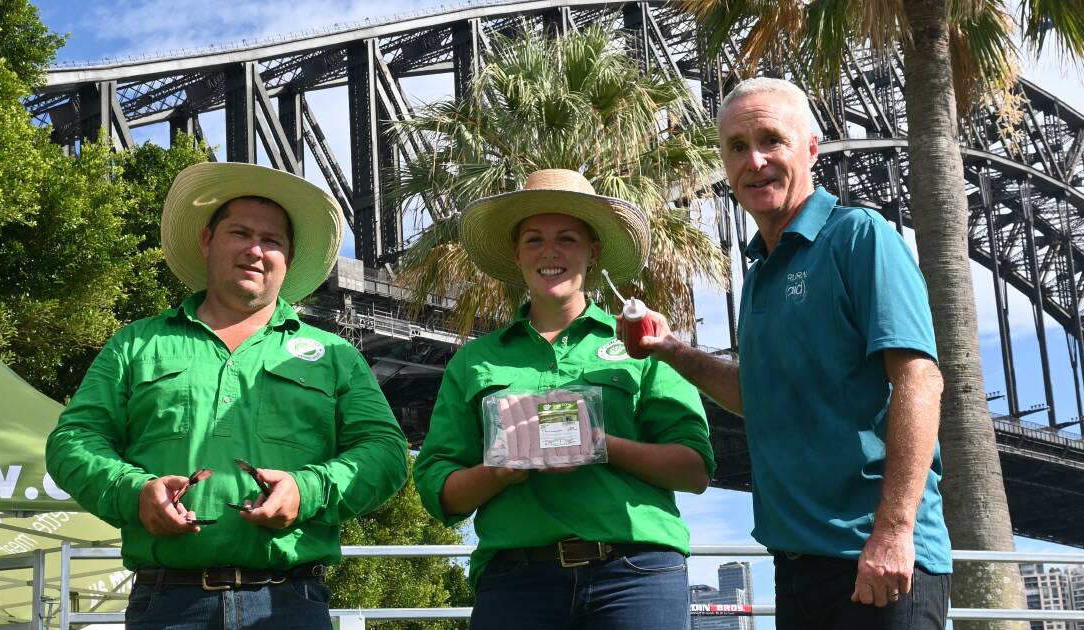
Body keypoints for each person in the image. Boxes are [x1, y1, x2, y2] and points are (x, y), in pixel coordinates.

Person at [640, 78, 952, 629]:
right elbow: (760, 397)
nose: (754, 160)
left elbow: (920, 381)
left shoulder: (859, 236)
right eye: (737, 147)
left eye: (771, 140)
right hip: (799, 564)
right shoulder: (761, 274)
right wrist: (670, 351)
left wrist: (895, 532)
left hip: (875, 559)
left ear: (811, 147)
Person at [46, 162, 408, 630]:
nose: (256, 250)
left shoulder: (336, 355)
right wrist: (134, 493)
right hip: (166, 604)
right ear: (206, 241)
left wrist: (307, 490)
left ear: (288, 258)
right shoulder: (137, 343)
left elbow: (385, 452)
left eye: (272, 241)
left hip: (290, 603)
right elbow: (73, 440)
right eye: (240, 233)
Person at [413, 169, 717, 629]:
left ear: (593, 253)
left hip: (634, 575)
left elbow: (695, 469)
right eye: (533, 239)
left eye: (567, 238)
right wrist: (498, 471)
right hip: (516, 583)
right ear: (516, 254)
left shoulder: (644, 345)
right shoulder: (474, 362)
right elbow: (439, 491)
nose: (549, 252)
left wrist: (601, 445)